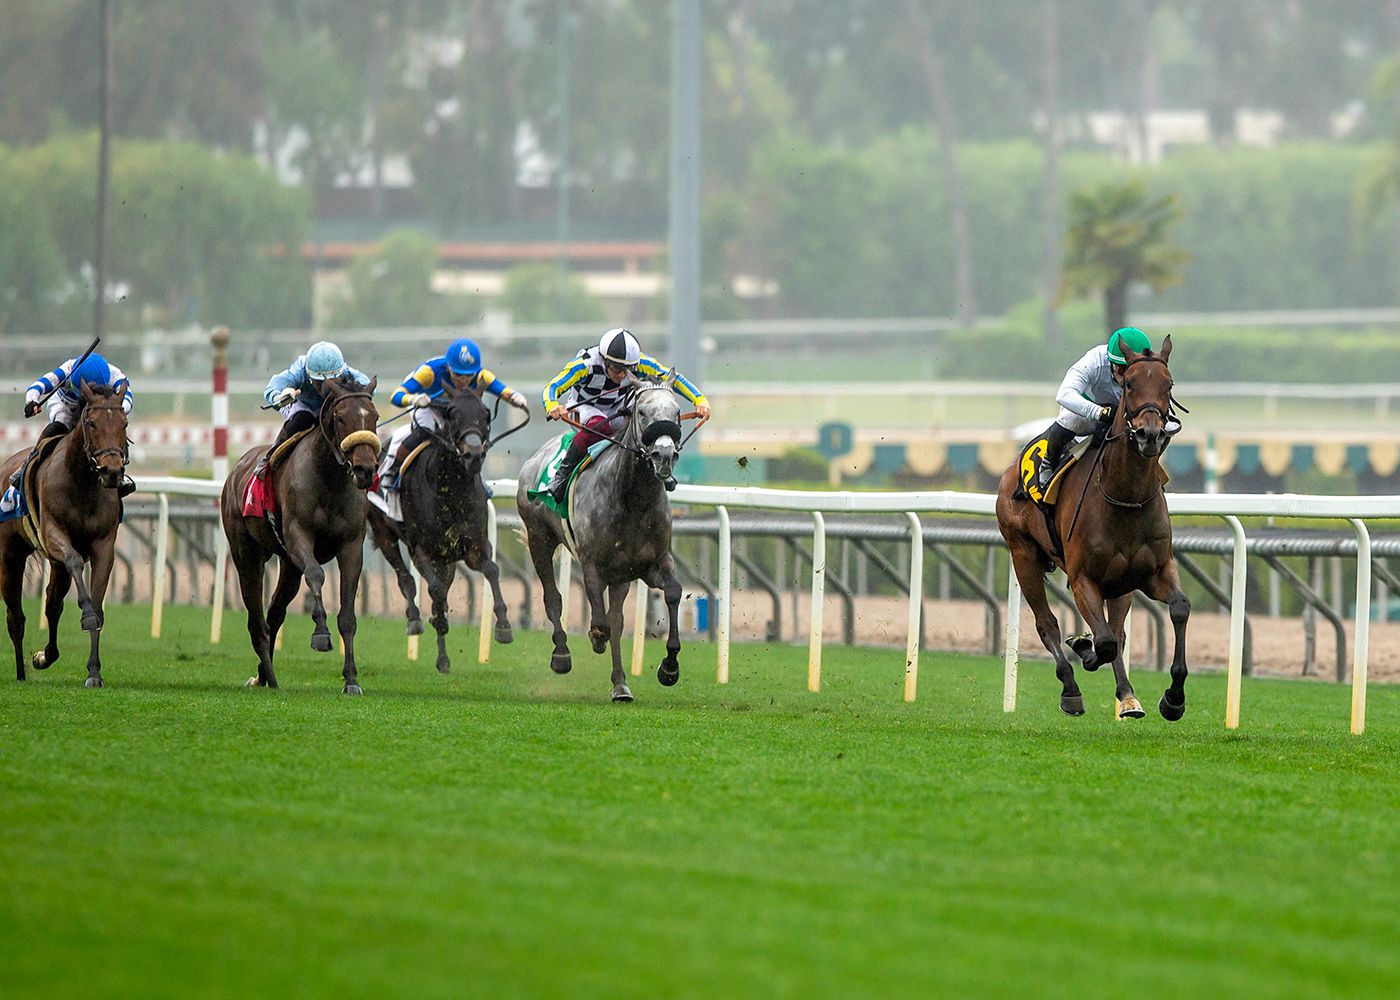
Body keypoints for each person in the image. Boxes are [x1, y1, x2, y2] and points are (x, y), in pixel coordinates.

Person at [538, 327, 710, 503]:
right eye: (616, 368)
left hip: (621, 405)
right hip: (587, 406)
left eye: (627, 369)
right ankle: (562, 475)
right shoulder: (584, 365)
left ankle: (660, 467)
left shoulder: (642, 362)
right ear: (604, 360)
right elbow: (552, 387)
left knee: (646, 421)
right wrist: (552, 405)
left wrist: (699, 400)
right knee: (600, 426)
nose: (622, 374)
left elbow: (674, 379)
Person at [379, 337, 528, 491]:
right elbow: (396, 396)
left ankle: (476, 480)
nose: (463, 381)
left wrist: (515, 397)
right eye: (458, 374)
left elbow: (504, 391)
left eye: (468, 376)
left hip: (453, 407)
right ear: (448, 367)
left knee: (465, 435)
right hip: (426, 403)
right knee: (426, 429)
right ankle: (392, 472)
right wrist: (413, 399)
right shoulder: (429, 373)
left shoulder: (481, 375)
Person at [1036, 326, 1153, 492]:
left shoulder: (1151, 371)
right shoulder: (1095, 360)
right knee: (1070, 419)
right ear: (1110, 362)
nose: (1126, 376)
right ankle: (1048, 463)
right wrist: (1100, 413)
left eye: (1132, 370)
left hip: (1126, 418)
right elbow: (1064, 394)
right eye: (1122, 369)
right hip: (1090, 414)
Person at [6, 352, 136, 501]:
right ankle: (25, 468)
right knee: (57, 427)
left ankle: (120, 474)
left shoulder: (115, 376)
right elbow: (38, 386)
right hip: (66, 406)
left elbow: (127, 401)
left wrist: (113, 414)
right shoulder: (67, 370)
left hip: (98, 408)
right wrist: (32, 401)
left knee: (113, 427)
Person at [255, 341, 371, 480]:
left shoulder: (346, 372)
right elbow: (272, 387)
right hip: (302, 405)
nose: (322, 389)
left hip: (331, 407)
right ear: (309, 375)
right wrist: (279, 397)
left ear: (339, 374)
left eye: (328, 383)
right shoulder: (300, 370)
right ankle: (268, 459)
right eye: (317, 382)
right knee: (301, 419)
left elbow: (366, 384)